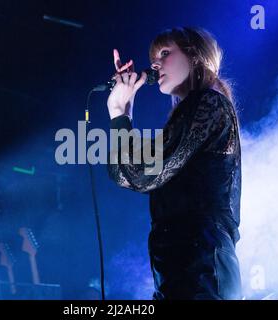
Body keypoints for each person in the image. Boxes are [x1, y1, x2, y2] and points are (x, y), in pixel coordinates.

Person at [106, 27, 242, 299]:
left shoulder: (210, 104)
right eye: (154, 57)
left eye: (165, 53)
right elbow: (125, 174)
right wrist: (122, 111)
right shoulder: (187, 117)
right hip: (176, 272)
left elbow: (141, 174)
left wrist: (120, 115)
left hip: (203, 269)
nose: (155, 63)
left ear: (195, 56)